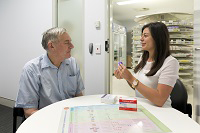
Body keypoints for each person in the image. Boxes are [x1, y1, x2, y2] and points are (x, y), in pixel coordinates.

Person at [15, 27, 85, 118]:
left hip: (71, 116)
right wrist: (56, 119)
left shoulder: (73, 63)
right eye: (67, 42)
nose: (72, 46)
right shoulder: (31, 69)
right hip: (46, 119)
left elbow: (78, 96)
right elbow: (29, 111)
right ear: (51, 46)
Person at [114, 22, 179, 107]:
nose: (141, 39)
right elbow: (137, 87)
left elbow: (160, 100)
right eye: (142, 35)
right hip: (143, 107)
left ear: (157, 38)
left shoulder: (170, 62)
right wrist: (126, 77)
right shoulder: (143, 58)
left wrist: (131, 78)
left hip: (160, 111)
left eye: (145, 35)